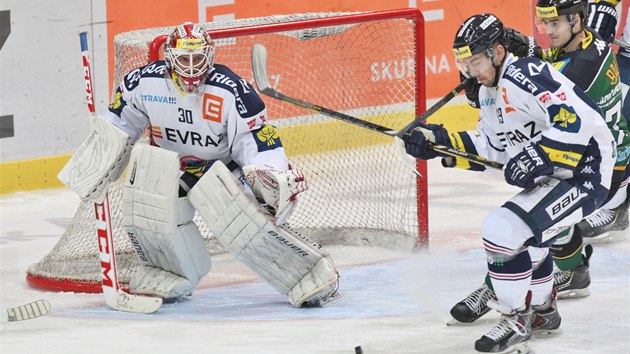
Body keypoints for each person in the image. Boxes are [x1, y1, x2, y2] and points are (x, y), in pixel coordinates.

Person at [58, 22, 340, 307]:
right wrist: (101, 158)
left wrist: (269, 172)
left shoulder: (231, 90)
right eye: (184, 58)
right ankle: (169, 272)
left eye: (197, 58)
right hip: (172, 168)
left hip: (220, 170)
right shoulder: (143, 83)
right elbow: (120, 123)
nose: (191, 67)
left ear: (210, 56)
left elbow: (254, 140)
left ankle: (308, 274)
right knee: (145, 208)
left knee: (243, 222)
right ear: (170, 58)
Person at [402, 13, 615, 353]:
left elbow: (577, 120)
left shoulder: (525, 73)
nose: (470, 71)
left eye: (475, 60)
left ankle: (517, 317)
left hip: (587, 171)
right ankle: (544, 311)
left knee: (502, 229)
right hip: (557, 176)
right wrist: (441, 143)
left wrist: (540, 155)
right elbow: (496, 150)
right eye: (464, 62)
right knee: (526, 235)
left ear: (498, 52)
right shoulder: (489, 93)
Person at [448, 0, 630, 326]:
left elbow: (547, 86)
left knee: (527, 220)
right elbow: (550, 65)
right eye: (544, 24)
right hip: (589, 153)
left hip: (598, 164)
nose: (547, 32)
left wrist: (507, 65)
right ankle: (572, 271)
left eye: (555, 24)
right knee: (543, 211)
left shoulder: (585, 63)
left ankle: (498, 289)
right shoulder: (587, 44)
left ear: (576, 20)